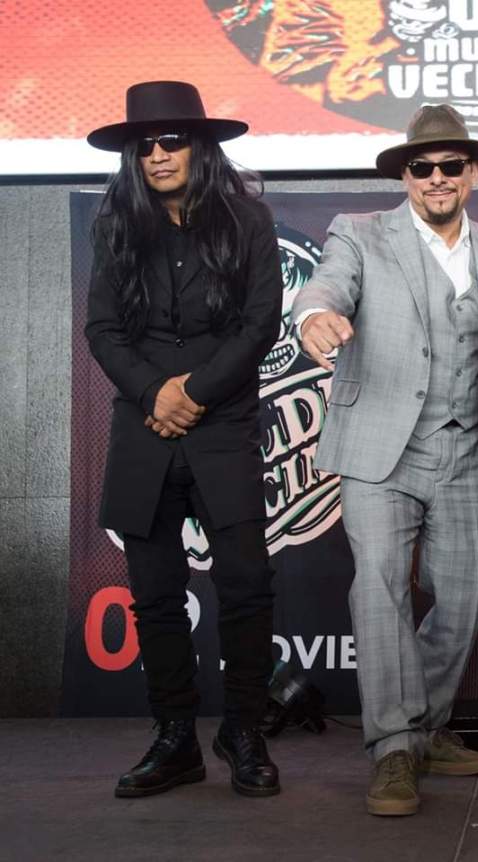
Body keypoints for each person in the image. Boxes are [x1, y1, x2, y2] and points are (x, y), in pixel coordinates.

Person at [292, 104, 478, 817]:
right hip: (381, 448)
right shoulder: (359, 233)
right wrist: (313, 314)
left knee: (466, 597)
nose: (436, 177)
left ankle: (425, 727)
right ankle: (394, 747)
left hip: (468, 450)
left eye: (450, 165)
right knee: (379, 591)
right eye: (422, 166)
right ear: (405, 175)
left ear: (473, 174)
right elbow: (328, 285)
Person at [85, 81, 284, 798]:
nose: (158, 155)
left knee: (246, 587)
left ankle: (245, 732)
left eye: (172, 141)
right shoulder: (115, 224)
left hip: (222, 425)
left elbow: (260, 324)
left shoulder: (247, 220)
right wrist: (154, 395)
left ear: (200, 147)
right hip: (144, 430)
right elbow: (102, 329)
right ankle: (175, 740)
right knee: (155, 595)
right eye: (145, 146)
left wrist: (192, 394)